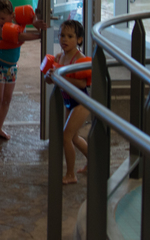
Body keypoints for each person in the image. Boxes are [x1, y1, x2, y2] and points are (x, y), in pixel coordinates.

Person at [0, 0, 48, 143]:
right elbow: (20, 36)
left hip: (11, 68)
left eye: (2, 17)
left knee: (7, 100)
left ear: (12, 15)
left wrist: (36, 21)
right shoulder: (1, 29)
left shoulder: (14, 22)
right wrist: (39, 35)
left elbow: (31, 16)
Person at [45, 19, 91, 185]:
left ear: (79, 40)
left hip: (81, 102)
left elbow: (82, 84)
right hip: (69, 102)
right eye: (62, 35)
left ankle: (71, 174)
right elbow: (51, 81)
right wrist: (49, 76)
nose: (64, 39)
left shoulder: (80, 59)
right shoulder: (60, 57)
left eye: (70, 36)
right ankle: (92, 162)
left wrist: (60, 75)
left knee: (66, 137)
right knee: (74, 138)